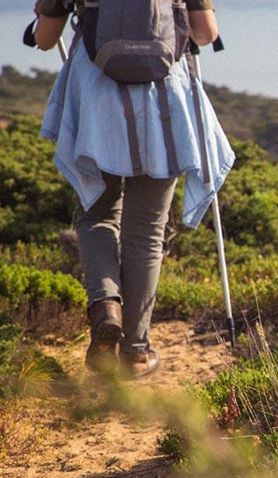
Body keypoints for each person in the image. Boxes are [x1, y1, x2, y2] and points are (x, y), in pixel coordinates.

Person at [33, 0, 235, 378]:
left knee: (97, 214)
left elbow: (45, 39)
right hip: (164, 101)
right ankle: (136, 350)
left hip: (96, 99)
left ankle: (106, 304)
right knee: (146, 231)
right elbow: (206, 32)